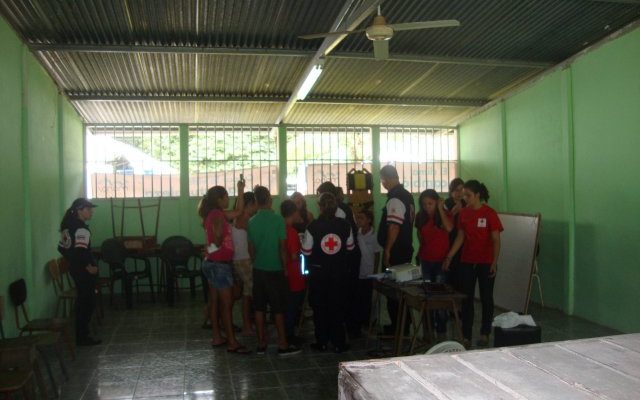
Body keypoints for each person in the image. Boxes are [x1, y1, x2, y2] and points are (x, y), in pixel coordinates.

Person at [443, 180, 503, 348]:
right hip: (467, 261)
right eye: (464, 195)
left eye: (468, 195)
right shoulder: (464, 213)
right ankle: (466, 336)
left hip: (486, 262)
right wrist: (449, 256)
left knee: (486, 298)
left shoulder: (489, 213)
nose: (465, 198)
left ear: (477, 195)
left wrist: (494, 262)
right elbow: (460, 236)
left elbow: (496, 240)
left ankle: (485, 333)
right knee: (467, 298)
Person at [247, 186, 301, 356]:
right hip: (275, 269)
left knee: (259, 308)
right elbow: (282, 249)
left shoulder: (251, 222)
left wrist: (256, 261)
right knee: (278, 308)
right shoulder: (278, 220)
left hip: (258, 269)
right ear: (270, 199)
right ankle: (282, 344)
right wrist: (284, 268)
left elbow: (251, 249)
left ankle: (261, 343)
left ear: (256, 201)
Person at [198, 180, 250, 354]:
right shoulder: (217, 215)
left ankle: (217, 337)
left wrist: (240, 190)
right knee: (226, 306)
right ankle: (232, 342)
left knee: (215, 302)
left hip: (212, 263)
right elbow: (218, 239)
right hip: (219, 265)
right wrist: (211, 250)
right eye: (226, 196)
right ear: (219, 199)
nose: (228, 199)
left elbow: (239, 211)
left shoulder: (214, 213)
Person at [302, 192, 355, 353]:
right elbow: (350, 248)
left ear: (319, 207)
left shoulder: (312, 227)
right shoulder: (346, 225)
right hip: (339, 274)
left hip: (319, 275)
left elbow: (306, 251)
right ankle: (339, 343)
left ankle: (322, 342)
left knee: (320, 308)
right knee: (337, 307)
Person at [316, 181, 361, 337]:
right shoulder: (342, 207)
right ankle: (347, 328)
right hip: (347, 255)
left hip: (347, 257)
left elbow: (336, 236)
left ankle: (349, 329)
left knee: (346, 294)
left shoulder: (339, 211)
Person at [377, 165, 415, 334]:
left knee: (393, 292)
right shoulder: (407, 195)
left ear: (387, 178)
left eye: (382, 180)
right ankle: (402, 326)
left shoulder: (396, 198)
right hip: (404, 249)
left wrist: (387, 250)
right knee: (400, 290)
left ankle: (398, 328)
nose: (383, 183)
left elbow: (394, 227)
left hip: (396, 252)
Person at [58, 198, 101, 346]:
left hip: (75, 269)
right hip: (84, 271)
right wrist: (89, 267)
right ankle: (82, 337)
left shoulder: (67, 227)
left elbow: (61, 248)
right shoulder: (81, 229)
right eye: (88, 209)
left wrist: (72, 261)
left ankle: (81, 335)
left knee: (82, 302)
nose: (91, 212)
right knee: (87, 303)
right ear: (79, 210)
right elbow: (81, 251)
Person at [415, 189, 453, 338]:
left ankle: (441, 332)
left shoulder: (444, 215)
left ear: (436, 202)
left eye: (430, 204)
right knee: (427, 296)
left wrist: (440, 209)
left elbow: (449, 228)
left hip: (441, 262)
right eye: (424, 204)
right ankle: (428, 331)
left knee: (439, 298)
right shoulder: (420, 216)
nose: (427, 207)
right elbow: (420, 234)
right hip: (425, 260)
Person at [232, 191, 257, 336]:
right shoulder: (244, 218)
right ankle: (249, 324)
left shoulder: (242, 217)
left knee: (247, 294)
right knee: (251, 293)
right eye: (255, 205)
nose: (256, 208)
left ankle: (248, 324)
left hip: (242, 259)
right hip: (243, 260)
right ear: (249, 205)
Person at [280, 200, 306, 345]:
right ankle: (289, 335)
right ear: (294, 213)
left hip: (283, 273)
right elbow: (294, 255)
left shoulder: (279, 228)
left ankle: (286, 332)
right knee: (292, 306)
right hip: (294, 273)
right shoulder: (291, 232)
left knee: (286, 305)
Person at [354, 208, 382, 330]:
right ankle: (359, 319)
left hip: (370, 271)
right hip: (359, 270)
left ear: (369, 220)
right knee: (359, 297)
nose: (359, 220)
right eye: (358, 218)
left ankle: (368, 321)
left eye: (362, 218)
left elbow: (377, 254)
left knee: (368, 298)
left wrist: (375, 273)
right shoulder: (357, 234)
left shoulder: (374, 235)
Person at [443, 178, 466, 290]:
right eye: (456, 190)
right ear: (451, 191)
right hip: (448, 242)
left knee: (460, 276)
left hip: (462, 243)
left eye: (462, 190)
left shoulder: (466, 203)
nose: (459, 193)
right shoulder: (447, 204)